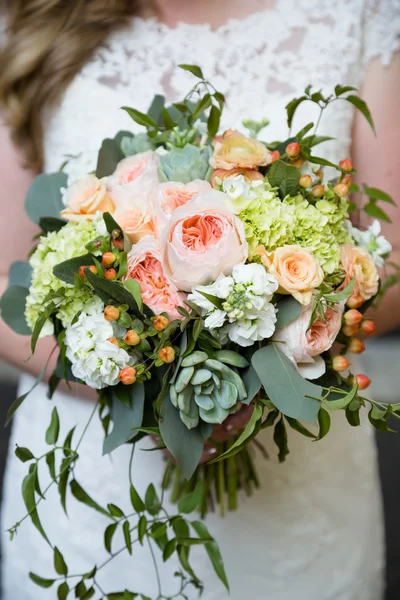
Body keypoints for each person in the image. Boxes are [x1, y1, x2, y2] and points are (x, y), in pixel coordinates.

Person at [0, 1, 399, 598]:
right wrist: (146, 386)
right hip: (98, 477)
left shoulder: (358, 13)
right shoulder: (32, 19)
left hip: (299, 504)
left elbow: (391, 260)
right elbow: (8, 288)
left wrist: (266, 361)